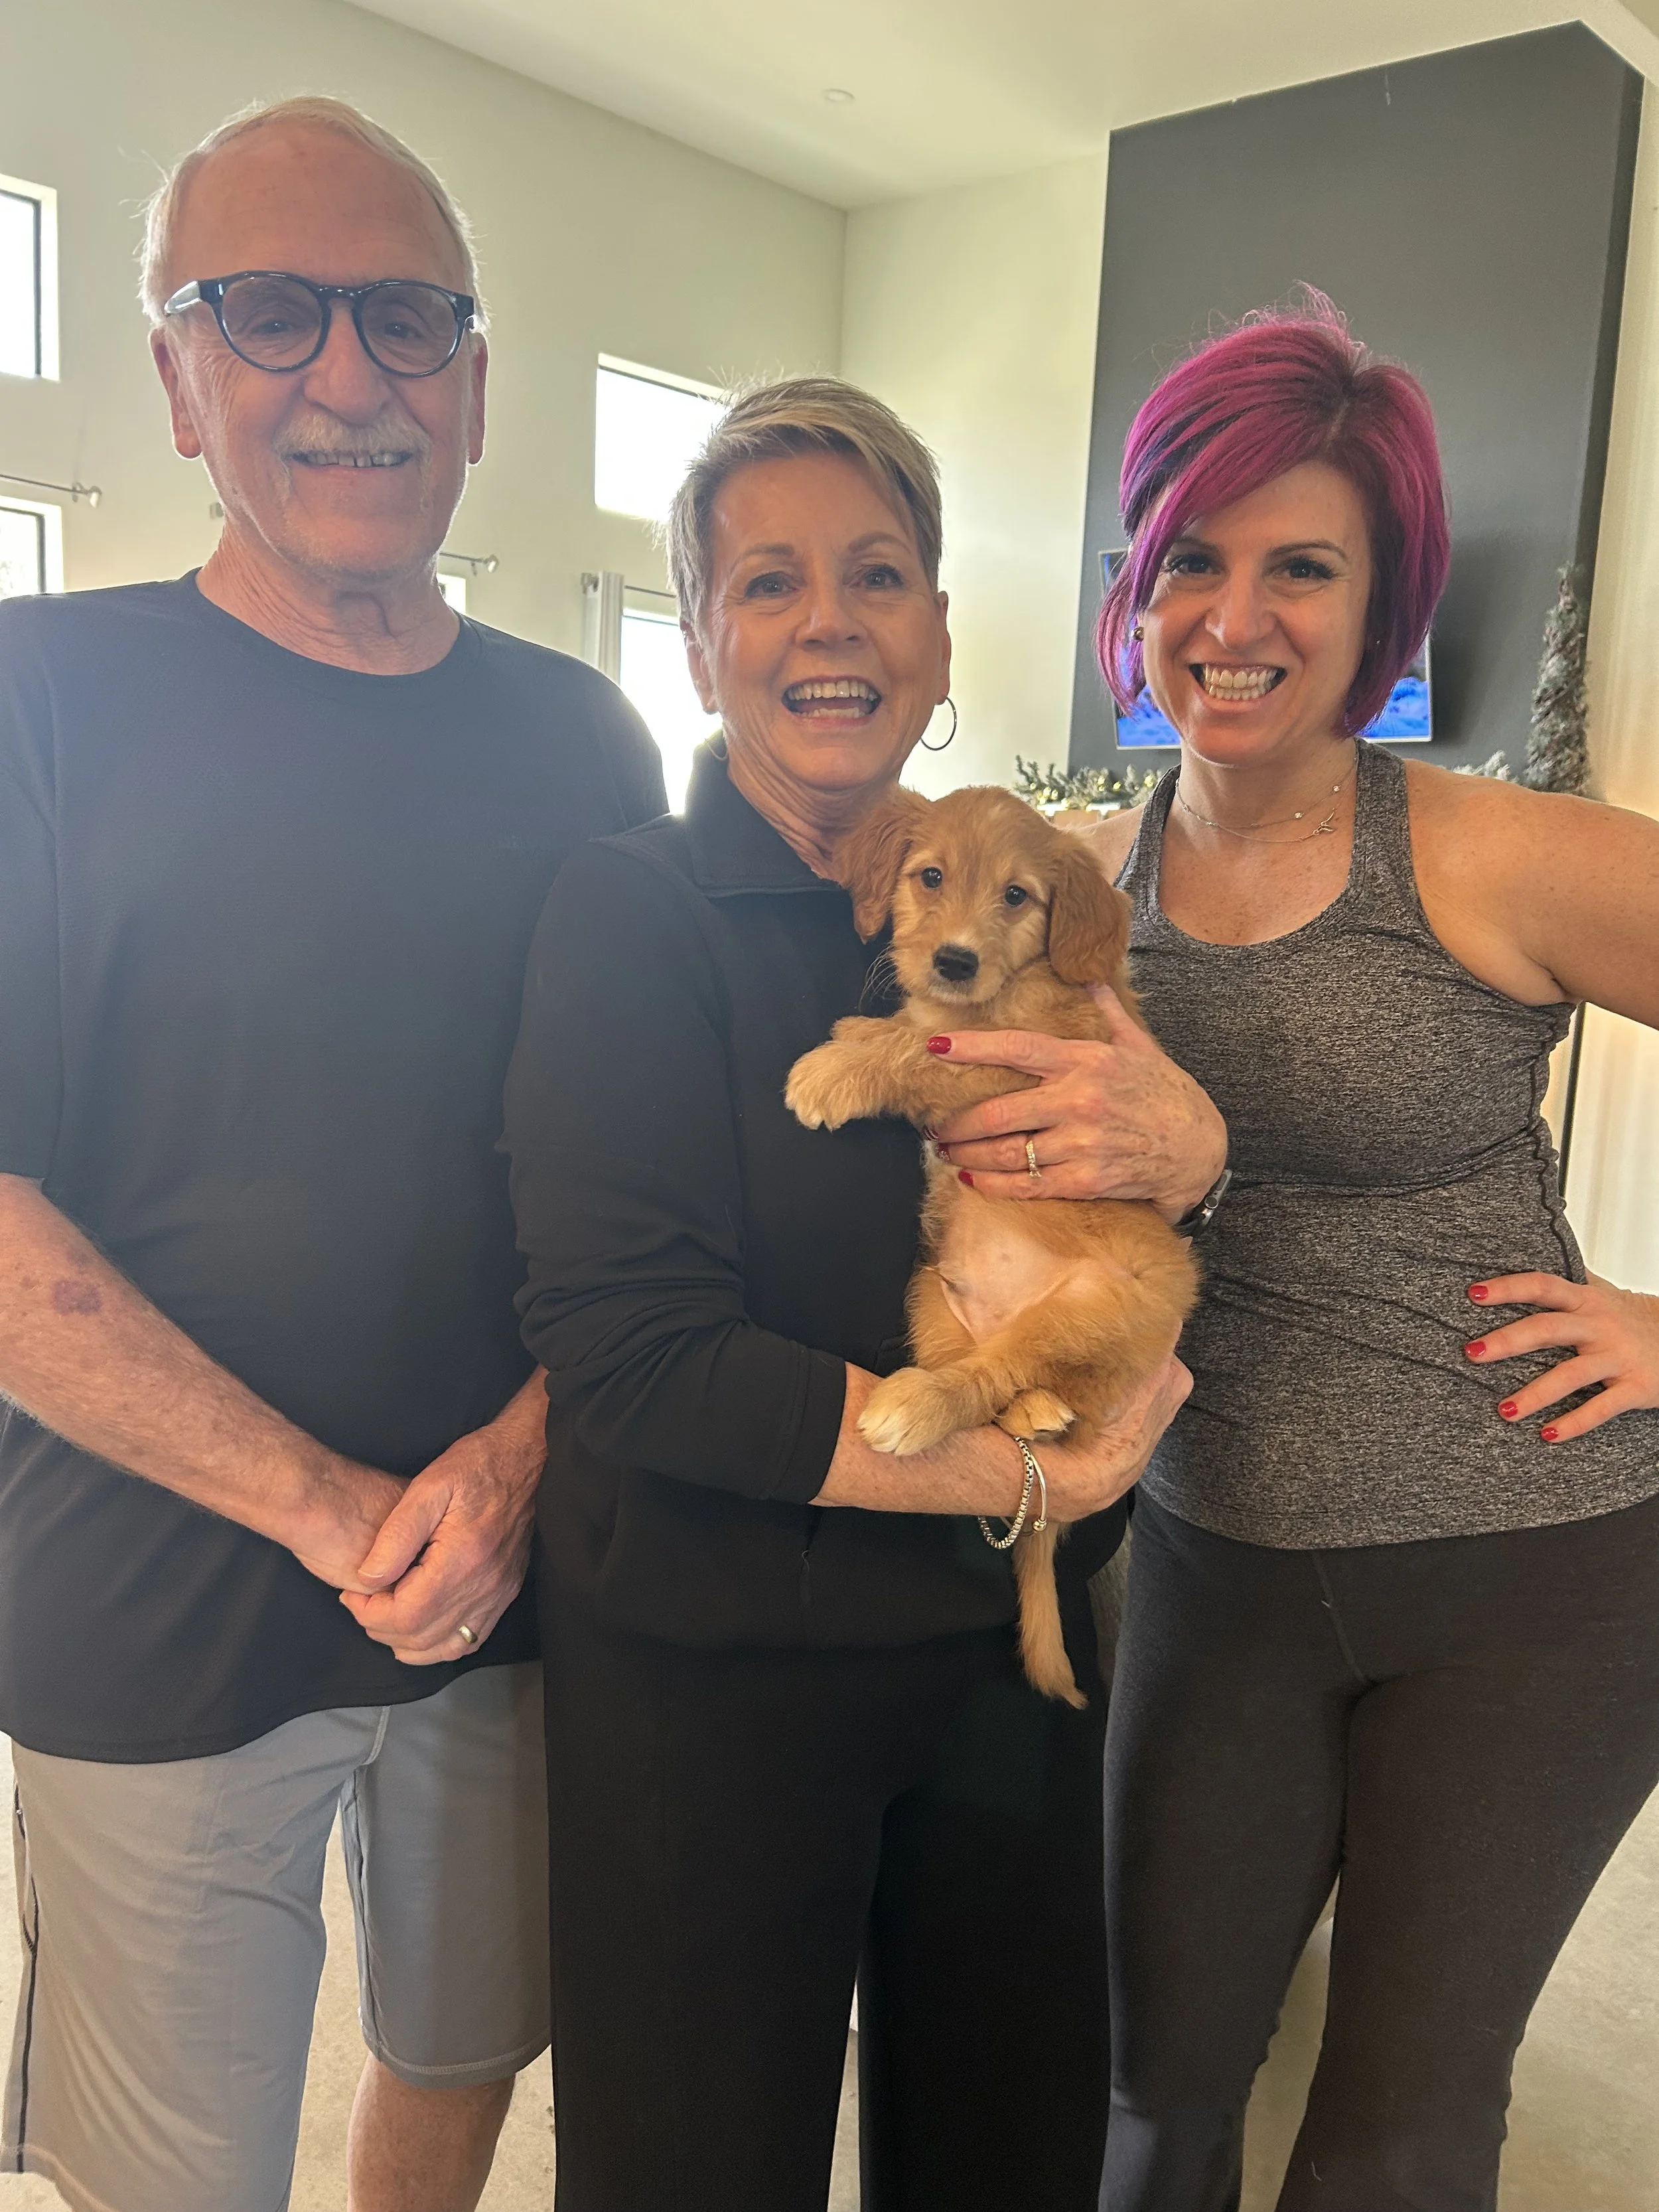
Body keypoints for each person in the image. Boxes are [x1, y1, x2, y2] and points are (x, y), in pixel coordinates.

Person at [0, 97, 663, 2212]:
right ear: (180, 381)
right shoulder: (37, 698)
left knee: (458, 2055)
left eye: (408, 318)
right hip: (150, 1595)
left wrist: (516, 1465)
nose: (350, 375)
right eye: (269, 315)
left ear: (474, 385)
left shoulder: (586, 739)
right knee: (174, 2166)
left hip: (517, 1575)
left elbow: (651, 1183)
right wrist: (337, 1503)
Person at [501, 377, 1198, 2212]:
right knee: (691, 2169)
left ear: (942, 630)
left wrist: (1192, 1144)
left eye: (878, 574)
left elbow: (1135, 1214)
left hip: (994, 1663)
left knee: (1007, 2152)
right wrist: (1027, 1474)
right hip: (704, 1676)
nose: (828, 621)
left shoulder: (1035, 905)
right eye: (766, 582)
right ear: (706, 639)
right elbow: (636, 1363)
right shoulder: (625, 912)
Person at [1064, 295, 1659, 2211]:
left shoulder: (1496, 855)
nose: (1236, 616)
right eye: (1196, 559)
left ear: (1380, 599)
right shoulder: (1082, 880)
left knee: (1397, 2126)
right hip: (1208, 1552)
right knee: (1156, 2087)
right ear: (1137, 586)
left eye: (1300, 564)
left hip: (1529, 1570)